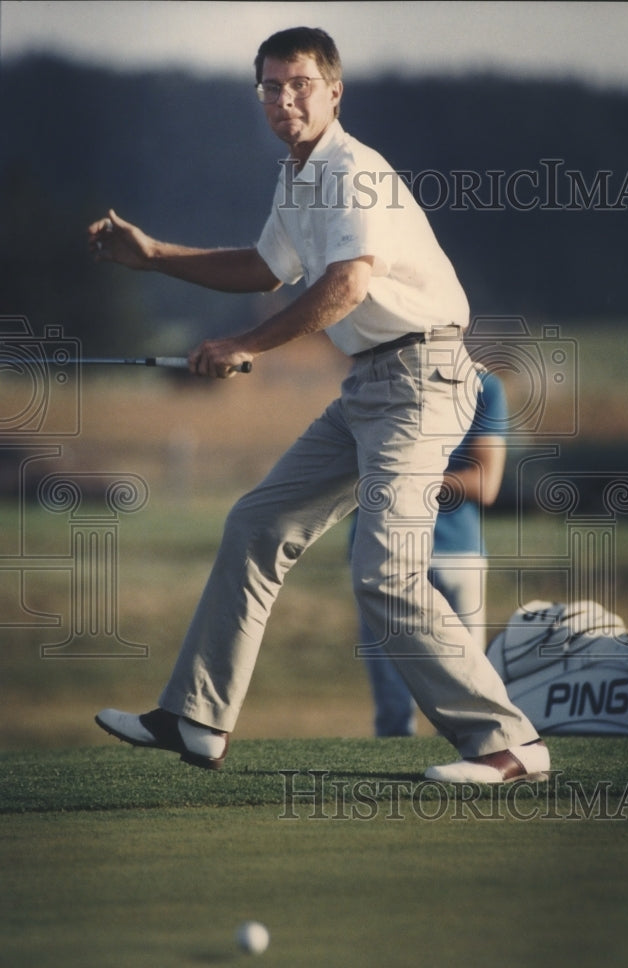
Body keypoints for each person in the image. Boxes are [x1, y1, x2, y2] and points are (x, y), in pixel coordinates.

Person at [89, 26, 549, 784]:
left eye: (300, 83)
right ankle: (198, 718)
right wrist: (156, 255)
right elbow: (268, 268)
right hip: (370, 384)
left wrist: (249, 347)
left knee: (386, 573)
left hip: (422, 378)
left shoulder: (352, 170)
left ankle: (510, 746)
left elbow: (347, 285)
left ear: (334, 92)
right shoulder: (299, 178)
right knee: (258, 521)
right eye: (271, 87)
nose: (285, 98)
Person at [354, 366, 508, 737]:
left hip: (453, 554)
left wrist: (404, 479)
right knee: (393, 711)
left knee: (468, 699)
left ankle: (479, 775)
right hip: (383, 552)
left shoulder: (481, 385)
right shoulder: (371, 377)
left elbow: (485, 483)